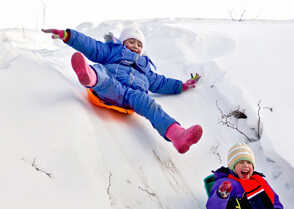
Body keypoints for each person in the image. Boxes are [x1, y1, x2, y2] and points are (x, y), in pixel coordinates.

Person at [42, 26, 202, 154]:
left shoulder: (146, 67)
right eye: (131, 42)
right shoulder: (113, 51)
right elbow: (91, 45)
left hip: (135, 96)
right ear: (122, 41)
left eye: (139, 44)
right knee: (103, 75)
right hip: (114, 86)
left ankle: (178, 135)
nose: (135, 46)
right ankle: (88, 75)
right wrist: (68, 35)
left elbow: (161, 83)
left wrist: (182, 85)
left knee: (151, 106)